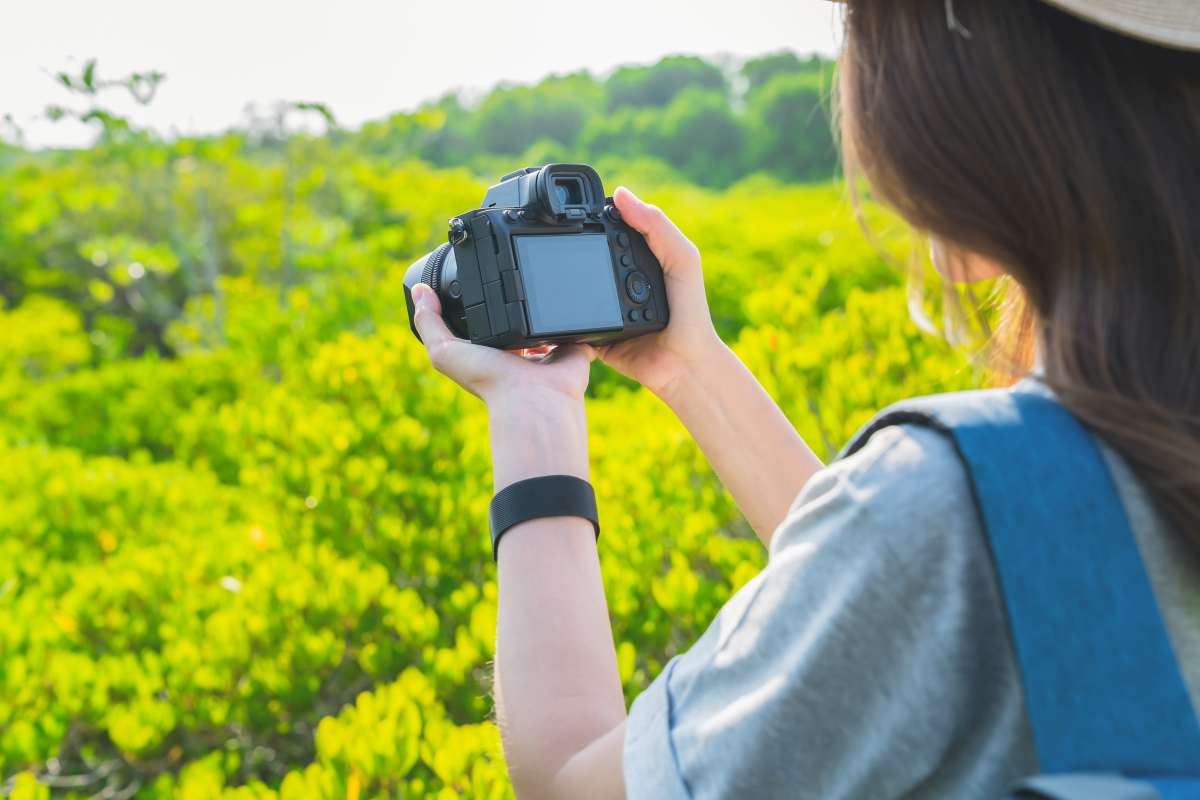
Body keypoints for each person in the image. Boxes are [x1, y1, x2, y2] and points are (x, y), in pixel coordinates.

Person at [408, 0, 1200, 797]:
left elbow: (568, 783)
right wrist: (690, 368)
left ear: (965, 104)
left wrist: (533, 419)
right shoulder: (1077, 476)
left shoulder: (942, 512)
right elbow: (907, 602)